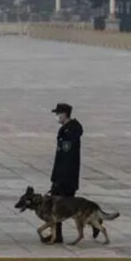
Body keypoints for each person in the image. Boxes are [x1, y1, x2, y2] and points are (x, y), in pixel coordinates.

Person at [48, 103, 83, 243]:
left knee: (60, 207)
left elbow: (66, 159)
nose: (57, 117)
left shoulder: (70, 132)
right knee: (63, 207)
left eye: (58, 114)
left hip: (66, 178)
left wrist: (59, 179)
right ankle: (57, 235)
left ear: (65, 114)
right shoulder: (66, 130)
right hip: (63, 176)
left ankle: (57, 236)